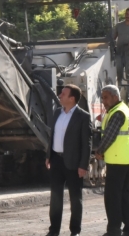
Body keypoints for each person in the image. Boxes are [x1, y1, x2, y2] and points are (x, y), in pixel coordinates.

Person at [45, 84, 92, 236]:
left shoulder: (83, 116)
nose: (60, 96)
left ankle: (75, 231)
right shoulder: (57, 112)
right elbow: (52, 136)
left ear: (72, 99)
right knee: (56, 198)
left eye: (63, 94)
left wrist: (83, 165)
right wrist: (48, 156)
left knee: (75, 198)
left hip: (73, 163)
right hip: (56, 161)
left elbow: (86, 143)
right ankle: (54, 230)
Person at [96, 85, 129, 236]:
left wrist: (100, 150)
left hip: (117, 161)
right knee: (123, 196)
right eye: (102, 98)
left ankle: (114, 230)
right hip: (125, 159)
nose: (103, 101)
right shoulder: (124, 109)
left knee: (112, 198)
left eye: (105, 97)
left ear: (115, 97)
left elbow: (110, 135)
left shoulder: (118, 113)